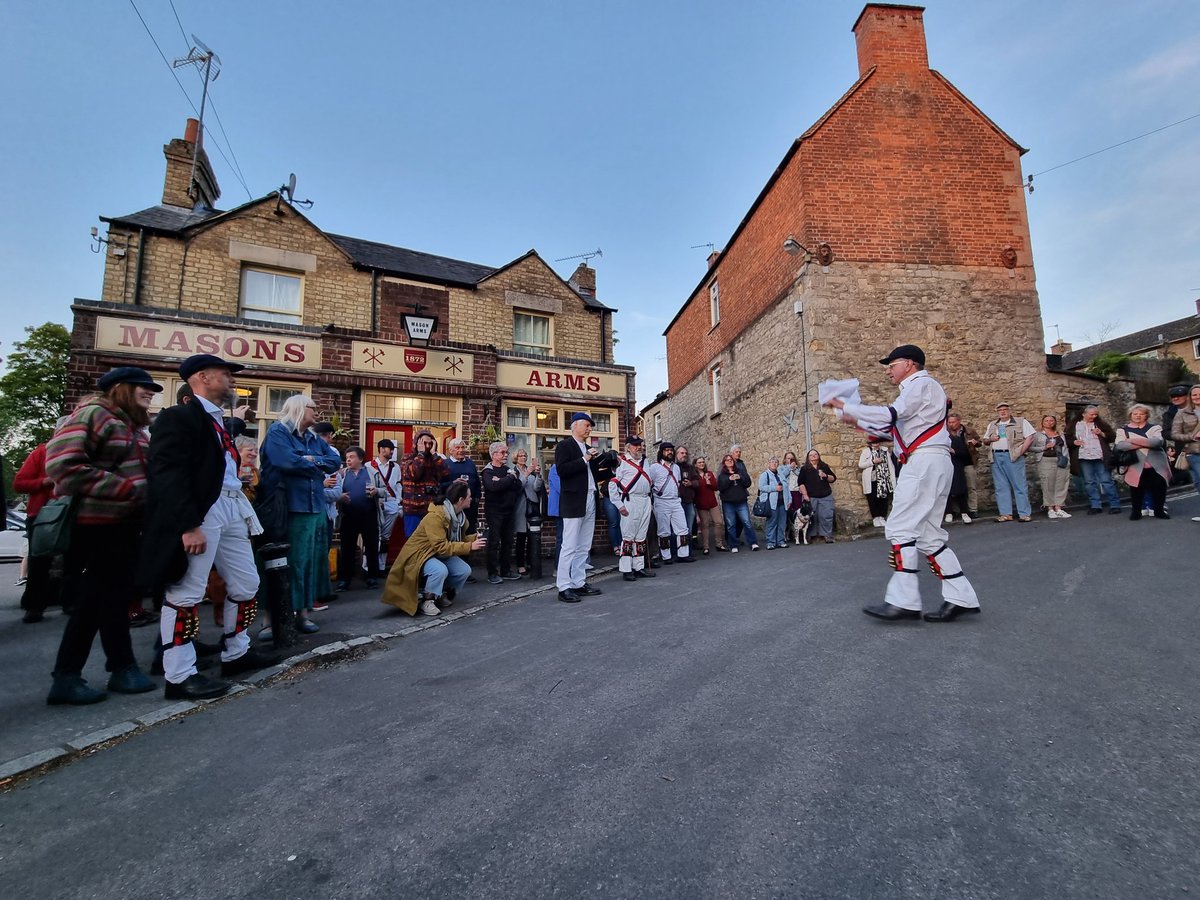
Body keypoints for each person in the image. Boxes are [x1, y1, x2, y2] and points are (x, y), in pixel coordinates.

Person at [140, 355, 277, 701]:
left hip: (231, 505)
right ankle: (179, 674)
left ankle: (236, 651)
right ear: (202, 377)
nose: (231, 381)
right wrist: (188, 524)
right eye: (226, 375)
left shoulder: (217, 421)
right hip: (206, 510)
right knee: (187, 590)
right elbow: (168, 473)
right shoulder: (179, 417)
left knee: (247, 582)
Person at [824, 343, 980, 623]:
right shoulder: (922, 389)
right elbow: (897, 429)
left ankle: (904, 601)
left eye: (892, 365)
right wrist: (855, 419)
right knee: (929, 535)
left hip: (923, 462)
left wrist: (849, 407)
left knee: (900, 527)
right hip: (930, 460)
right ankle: (962, 597)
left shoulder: (920, 384)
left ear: (909, 364)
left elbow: (891, 416)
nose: (888, 372)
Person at [43, 368, 160, 704]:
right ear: (120, 388)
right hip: (97, 525)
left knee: (113, 600)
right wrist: (128, 488)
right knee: (93, 601)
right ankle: (66, 676)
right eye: (143, 388)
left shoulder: (130, 426)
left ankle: (122, 668)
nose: (150, 393)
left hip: (123, 525)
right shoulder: (95, 414)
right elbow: (63, 465)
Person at [261, 394, 343, 633]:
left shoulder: (313, 438)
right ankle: (270, 621)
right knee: (281, 564)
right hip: (286, 509)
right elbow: (285, 461)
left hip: (313, 508)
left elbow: (333, 462)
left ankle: (303, 615)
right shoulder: (278, 433)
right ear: (299, 408)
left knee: (308, 564)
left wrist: (307, 459)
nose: (317, 412)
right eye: (313, 408)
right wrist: (315, 463)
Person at [380, 481, 485, 616]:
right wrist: (470, 546)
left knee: (464, 570)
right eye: (469, 496)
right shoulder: (436, 516)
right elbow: (441, 546)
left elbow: (458, 541)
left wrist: (474, 539)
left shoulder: (460, 518)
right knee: (439, 570)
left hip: (438, 553)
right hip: (421, 554)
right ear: (461, 500)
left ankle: (439, 593)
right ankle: (427, 601)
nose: (471, 498)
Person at [554, 412, 605, 602]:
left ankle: (578, 582)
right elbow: (562, 471)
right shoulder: (564, 446)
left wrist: (607, 463)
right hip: (573, 500)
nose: (590, 429)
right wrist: (584, 459)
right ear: (575, 426)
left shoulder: (588, 449)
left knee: (584, 545)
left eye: (591, 426)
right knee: (569, 545)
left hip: (590, 497)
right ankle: (564, 586)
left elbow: (593, 476)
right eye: (587, 425)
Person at [14, 427, 64, 624]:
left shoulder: (82, 455)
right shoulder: (41, 452)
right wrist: (45, 482)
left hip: (69, 514)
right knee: (39, 561)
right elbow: (20, 483)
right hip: (42, 515)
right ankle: (34, 606)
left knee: (73, 559)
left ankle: (67, 601)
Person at [335, 446, 384, 591]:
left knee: (371, 547)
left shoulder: (373, 473)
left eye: (351, 457)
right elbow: (335, 492)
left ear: (361, 459)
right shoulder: (342, 474)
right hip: (349, 516)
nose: (348, 459)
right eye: (347, 457)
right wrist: (339, 498)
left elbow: (384, 491)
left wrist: (377, 491)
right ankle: (345, 580)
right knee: (347, 549)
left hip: (368, 515)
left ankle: (372, 578)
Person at [609, 436, 656, 581]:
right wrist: (619, 505)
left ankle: (639, 567)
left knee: (641, 536)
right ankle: (626, 569)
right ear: (628, 447)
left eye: (640, 445)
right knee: (628, 536)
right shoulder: (622, 462)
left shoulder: (646, 461)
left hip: (645, 500)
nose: (639, 448)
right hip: (630, 500)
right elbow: (612, 485)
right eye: (635, 445)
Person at [1115, 404, 1171, 520]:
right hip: (1135, 464)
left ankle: (1159, 511)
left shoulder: (1154, 427)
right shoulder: (1123, 430)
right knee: (1136, 489)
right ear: (1130, 415)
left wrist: (1132, 440)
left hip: (1156, 464)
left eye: (1141, 414)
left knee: (1159, 488)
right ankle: (1136, 512)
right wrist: (1146, 442)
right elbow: (1120, 445)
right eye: (1135, 414)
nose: (1138, 416)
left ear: (1146, 416)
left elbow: (1157, 443)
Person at [983, 403, 1035, 522]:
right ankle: (1006, 514)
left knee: (1019, 485)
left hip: (1013, 456)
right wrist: (991, 439)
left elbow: (1030, 437)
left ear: (1009, 410)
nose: (1002, 412)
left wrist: (1021, 451)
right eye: (1000, 410)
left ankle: (1024, 514)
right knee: (1001, 486)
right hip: (996, 456)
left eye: (1005, 409)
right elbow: (985, 440)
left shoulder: (1020, 421)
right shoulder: (993, 424)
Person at [481, 441, 523, 584]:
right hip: (494, 511)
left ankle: (506, 570)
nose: (506, 455)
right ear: (494, 455)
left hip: (509, 510)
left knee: (508, 542)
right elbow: (493, 487)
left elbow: (518, 487)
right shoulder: (488, 471)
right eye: (503, 452)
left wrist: (503, 481)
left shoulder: (509, 470)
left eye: (506, 452)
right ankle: (492, 573)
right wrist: (509, 479)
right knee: (493, 542)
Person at [648, 442, 694, 564]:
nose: (669, 452)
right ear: (661, 452)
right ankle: (666, 556)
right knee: (664, 531)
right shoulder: (654, 467)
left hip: (675, 501)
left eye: (671, 450)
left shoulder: (676, 468)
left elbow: (677, 483)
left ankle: (683, 555)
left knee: (683, 528)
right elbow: (649, 483)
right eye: (667, 450)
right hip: (661, 502)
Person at [401, 430, 451, 538]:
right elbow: (414, 474)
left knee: (431, 539)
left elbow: (445, 473)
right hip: (413, 508)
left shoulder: (434, 459)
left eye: (430, 443)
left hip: (431, 507)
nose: (427, 446)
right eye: (424, 443)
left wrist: (434, 454)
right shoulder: (407, 458)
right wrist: (421, 454)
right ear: (417, 443)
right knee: (413, 539)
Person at [1072, 405, 1121, 515]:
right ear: (1084, 414)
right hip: (1084, 456)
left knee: (1106, 481)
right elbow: (1068, 439)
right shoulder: (1075, 425)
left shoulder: (1100, 424)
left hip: (1100, 456)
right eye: (1091, 414)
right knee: (1089, 482)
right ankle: (1095, 505)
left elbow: (1112, 437)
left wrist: (1101, 433)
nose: (1094, 416)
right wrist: (1073, 442)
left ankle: (1115, 505)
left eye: (1095, 414)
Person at [1029, 415, 1071, 518]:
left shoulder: (1060, 434)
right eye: (1046, 421)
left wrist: (1067, 459)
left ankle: (1059, 507)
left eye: (1051, 420)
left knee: (1061, 483)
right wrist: (1044, 447)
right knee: (1047, 483)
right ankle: (1050, 508)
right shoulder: (1037, 435)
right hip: (1045, 460)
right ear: (1042, 422)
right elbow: (1030, 448)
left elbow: (1065, 447)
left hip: (1060, 460)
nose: (1049, 422)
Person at [717, 452, 759, 552]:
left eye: (731, 460)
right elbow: (720, 487)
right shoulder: (722, 474)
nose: (729, 461)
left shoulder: (740, 471)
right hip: (728, 502)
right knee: (731, 524)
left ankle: (753, 542)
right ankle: (733, 544)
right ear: (724, 463)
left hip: (741, 501)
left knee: (747, 522)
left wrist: (740, 478)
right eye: (727, 460)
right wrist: (729, 479)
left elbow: (748, 483)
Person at [370, 439, 402, 571]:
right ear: (382, 449)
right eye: (390, 449)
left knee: (385, 537)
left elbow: (399, 484)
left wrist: (398, 500)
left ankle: (381, 567)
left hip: (391, 504)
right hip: (376, 504)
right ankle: (369, 567)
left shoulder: (396, 467)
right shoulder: (369, 466)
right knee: (372, 536)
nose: (393, 451)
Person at [511, 448, 543, 576]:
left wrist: (538, 476)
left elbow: (536, 487)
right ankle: (520, 564)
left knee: (532, 536)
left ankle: (531, 561)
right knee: (521, 536)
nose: (523, 458)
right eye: (520, 456)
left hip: (532, 505)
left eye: (525, 456)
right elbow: (517, 487)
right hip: (520, 507)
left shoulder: (531, 471)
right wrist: (526, 474)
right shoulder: (513, 471)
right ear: (516, 458)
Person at [796, 449, 837, 544]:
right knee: (810, 517)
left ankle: (827, 535)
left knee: (826, 515)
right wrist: (805, 495)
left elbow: (833, 478)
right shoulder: (804, 469)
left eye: (815, 454)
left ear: (818, 456)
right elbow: (801, 483)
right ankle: (811, 535)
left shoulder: (824, 466)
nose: (814, 456)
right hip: (811, 496)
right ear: (808, 457)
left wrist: (825, 475)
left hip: (825, 495)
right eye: (811, 455)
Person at [944, 413, 979, 522]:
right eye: (949, 422)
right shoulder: (945, 433)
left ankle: (973, 509)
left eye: (953, 422)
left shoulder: (969, 431)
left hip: (968, 461)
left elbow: (979, 442)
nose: (951, 424)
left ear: (959, 421)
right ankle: (955, 510)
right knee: (954, 486)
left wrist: (975, 443)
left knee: (970, 486)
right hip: (953, 463)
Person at [442, 437, 482, 533]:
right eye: (458, 448)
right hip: (452, 507)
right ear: (450, 450)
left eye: (463, 447)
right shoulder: (444, 464)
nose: (461, 450)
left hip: (470, 507)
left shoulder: (470, 463)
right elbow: (439, 485)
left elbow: (477, 482)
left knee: (469, 532)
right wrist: (453, 483)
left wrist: (476, 499)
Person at [858, 439, 896, 528]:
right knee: (872, 498)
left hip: (883, 478)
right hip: (872, 479)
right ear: (870, 443)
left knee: (883, 498)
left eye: (877, 442)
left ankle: (882, 517)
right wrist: (872, 462)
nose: (876, 444)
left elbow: (890, 465)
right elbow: (861, 464)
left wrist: (892, 480)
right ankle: (875, 518)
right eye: (874, 442)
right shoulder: (866, 452)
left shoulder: (884, 451)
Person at [692, 456, 726, 554]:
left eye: (703, 462)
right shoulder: (694, 476)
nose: (702, 464)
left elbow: (716, 487)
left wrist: (709, 482)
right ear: (695, 465)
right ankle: (706, 546)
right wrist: (703, 481)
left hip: (712, 503)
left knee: (719, 522)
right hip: (701, 504)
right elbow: (696, 487)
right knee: (705, 525)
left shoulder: (709, 474)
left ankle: (719, 544)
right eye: (699, 462)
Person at [1170, 384, 1200, 490]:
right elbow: (1175, 434)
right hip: (1194, 452)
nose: (1197, 397)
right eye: (1194, 395)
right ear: (1190, 397)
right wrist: (1192, 436)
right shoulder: (1182, 413)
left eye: (1199, 394)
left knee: (1197, 481)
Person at [757, 456, 790, 549]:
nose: (774, 463)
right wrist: (774, 488)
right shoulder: (765, 475)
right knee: (772, 523)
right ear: (769, 463)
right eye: (772, 462)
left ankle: (780, 541)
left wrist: (789, 499)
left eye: (776, 462)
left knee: (782, 523)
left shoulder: (781, 474)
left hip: (782, 502)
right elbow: (762, 487)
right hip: (772, 503)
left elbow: (787, 488)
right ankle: (771, 542)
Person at [676, 446, 698, 543]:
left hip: (689, 501)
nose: (684, 455)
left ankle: (688, 549)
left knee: (689, 526)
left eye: (685, 453)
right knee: (678, 527)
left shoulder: (690, 468)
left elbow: (697, 481)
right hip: (677, 502)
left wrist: (691, 483)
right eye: (682, 453)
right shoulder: (673, 467)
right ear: (676, 454)